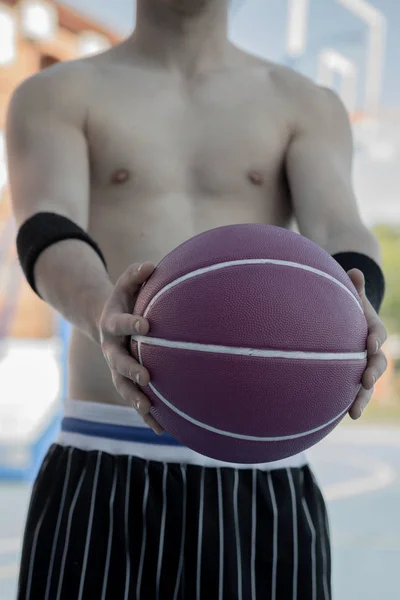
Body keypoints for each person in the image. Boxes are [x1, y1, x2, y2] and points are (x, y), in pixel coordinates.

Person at [6, 0, 387, 598]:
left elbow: (342, 229)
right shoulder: (56, 91)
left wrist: (362, 305)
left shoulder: (305, 102)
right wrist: (106, 313)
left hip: (262, 471)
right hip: (105, 451)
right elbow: (46, 225)